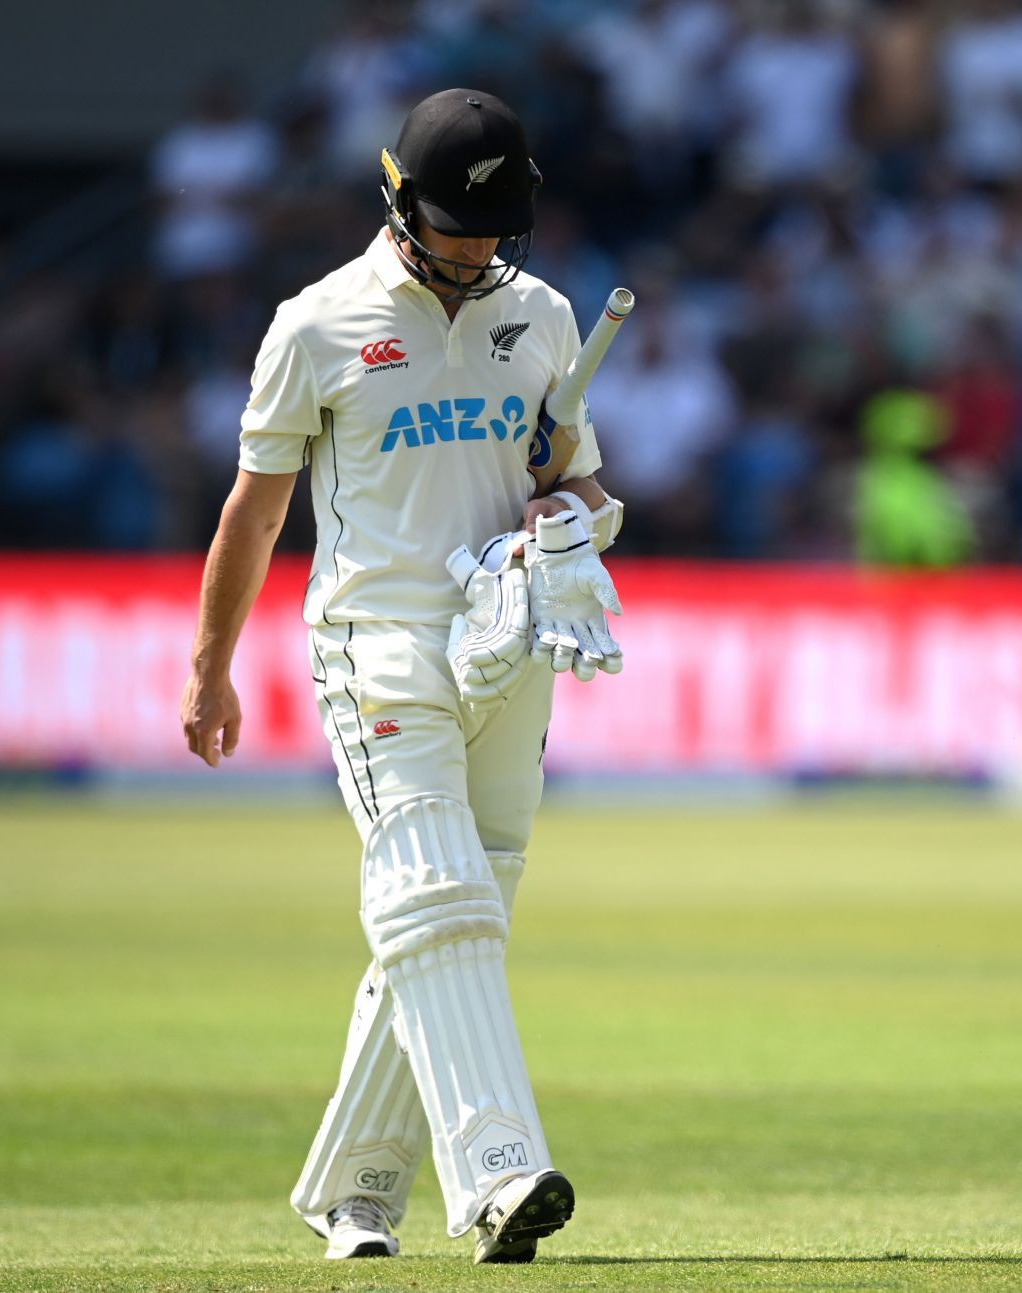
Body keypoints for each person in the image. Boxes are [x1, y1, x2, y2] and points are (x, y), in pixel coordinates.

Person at [179, 88, 626, 1264]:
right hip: (375, 642)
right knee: (437, 901)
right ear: (398, 199)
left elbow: (575, 478)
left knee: (460, 916)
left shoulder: (542, 313)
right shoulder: (317, 324)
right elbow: (255, 510)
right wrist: (209, 670)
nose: (478, 249)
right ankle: (499, 1174)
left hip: (505, 640)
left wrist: (576, 527)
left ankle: (357, 1193)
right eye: (456, 226)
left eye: (496, 228)